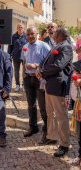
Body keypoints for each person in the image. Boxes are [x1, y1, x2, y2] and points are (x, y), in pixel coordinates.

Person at [37, 27, 73, 157]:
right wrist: (39, 68)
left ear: (60, 35)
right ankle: (51, 136)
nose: (53, 34)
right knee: (50, 113)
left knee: (61, 116)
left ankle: (64, 144)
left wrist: (43, 72)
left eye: (55, 32)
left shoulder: (66, 47)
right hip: (49, 85)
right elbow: (45, 61)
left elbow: (59, 65)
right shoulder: (56, 45)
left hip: (58, 86)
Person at [21, 26, 50, 142]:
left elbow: (49, 62)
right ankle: (33, 127)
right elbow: (23, 62)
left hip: (40, 79)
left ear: (37, 34)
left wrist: (36, 66)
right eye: (28, 34)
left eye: (32, 34)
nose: (30, 36)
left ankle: (47, 130)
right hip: (28, 79)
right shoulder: (25, 47)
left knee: (43, 107)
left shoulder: (44, 46)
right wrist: (23, 75)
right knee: (31, 105)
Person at [8, 23, 27, 92]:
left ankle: (24, 85)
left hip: (25, 57)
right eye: (19, 27)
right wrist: (9, 55)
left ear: (24, 28)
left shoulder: (26, 36)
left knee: (25, 71)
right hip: (16, 56)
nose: (20, 28)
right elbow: (10, 47)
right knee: (16, 71)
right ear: (17, 28)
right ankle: (17, 85)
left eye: (21, 27)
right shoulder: (13, 36)